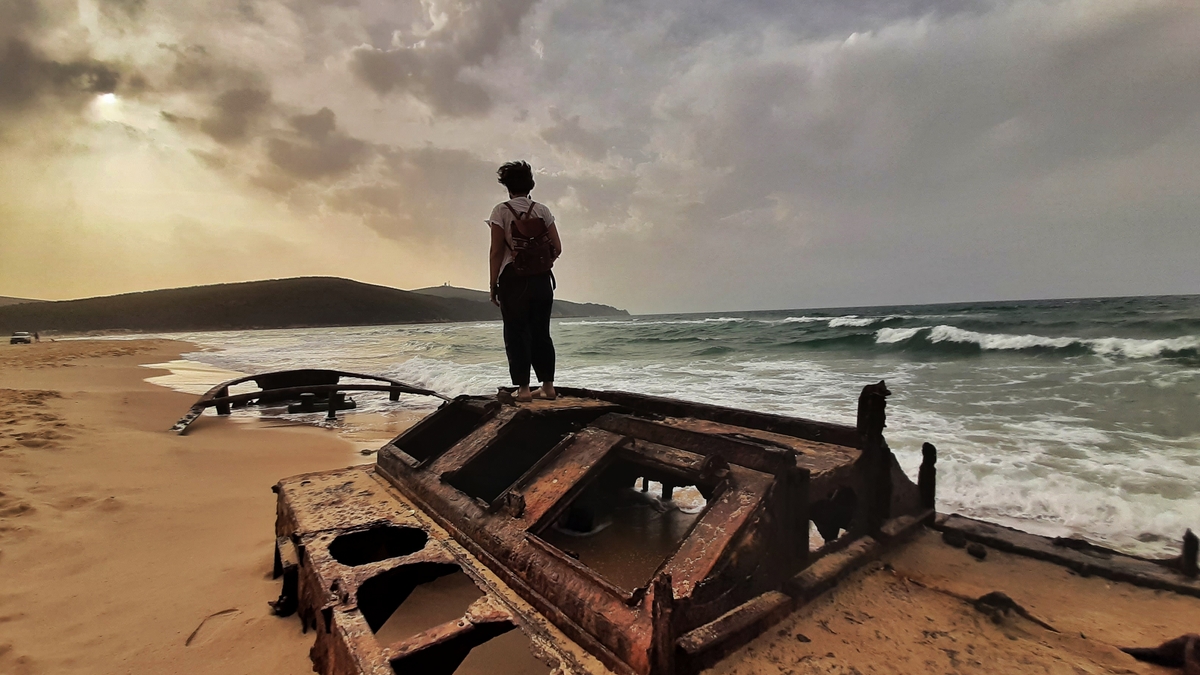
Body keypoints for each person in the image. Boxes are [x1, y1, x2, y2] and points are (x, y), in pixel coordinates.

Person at [487, 161, 562, 402]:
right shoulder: (542, 210)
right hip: (542, 280)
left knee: (516, 333)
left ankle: (523, 390)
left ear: (507, 187)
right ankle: (548, 387)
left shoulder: (500, 211)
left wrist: (493, 285)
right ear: (531, 185)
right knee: (542, 332)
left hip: (513, 279)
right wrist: (538, 262)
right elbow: (558, 248)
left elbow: (496, 251)